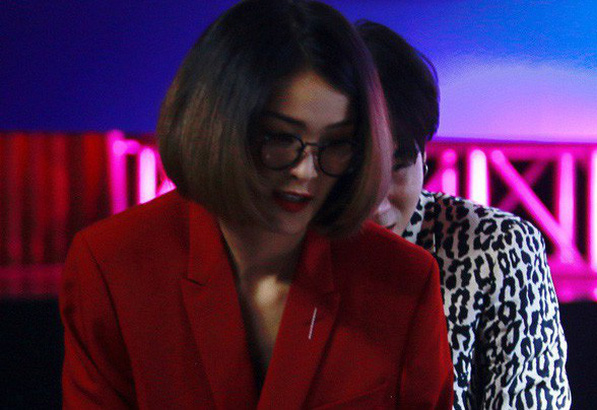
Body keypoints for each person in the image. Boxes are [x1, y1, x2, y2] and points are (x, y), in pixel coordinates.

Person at [59, 1, 454, 409]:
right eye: (281, 137)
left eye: (336, 143)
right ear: (216, 124)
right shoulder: (111, 265)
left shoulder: (403, 280)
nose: (307, 171)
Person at [358, 21, 571, 409]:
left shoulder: (498, 248)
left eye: (398, 166)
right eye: (357, 173)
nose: (377, 203)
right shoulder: (286, 252)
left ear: (424, 154)